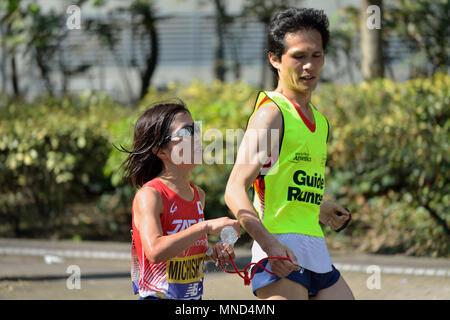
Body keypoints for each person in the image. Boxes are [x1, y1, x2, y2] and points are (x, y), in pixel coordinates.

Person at [224, 8, 354, 300]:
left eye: (316, 56)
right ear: (275, 59)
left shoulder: (319, 121)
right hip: (279, 249)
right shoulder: (271, 114)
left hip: (315, 249)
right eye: (298, 56)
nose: (309, 66)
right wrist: (269, 244)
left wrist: (318, 207)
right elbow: (234, 189)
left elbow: (279, 185)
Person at [117, 99, 240, 300]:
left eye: (196, 130)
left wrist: (214, 252)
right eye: (186, 133)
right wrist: (205, 227)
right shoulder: (151, 195)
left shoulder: (198, 194)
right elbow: (155, 251)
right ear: (161, 151)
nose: (197, 138)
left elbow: (185, 249)